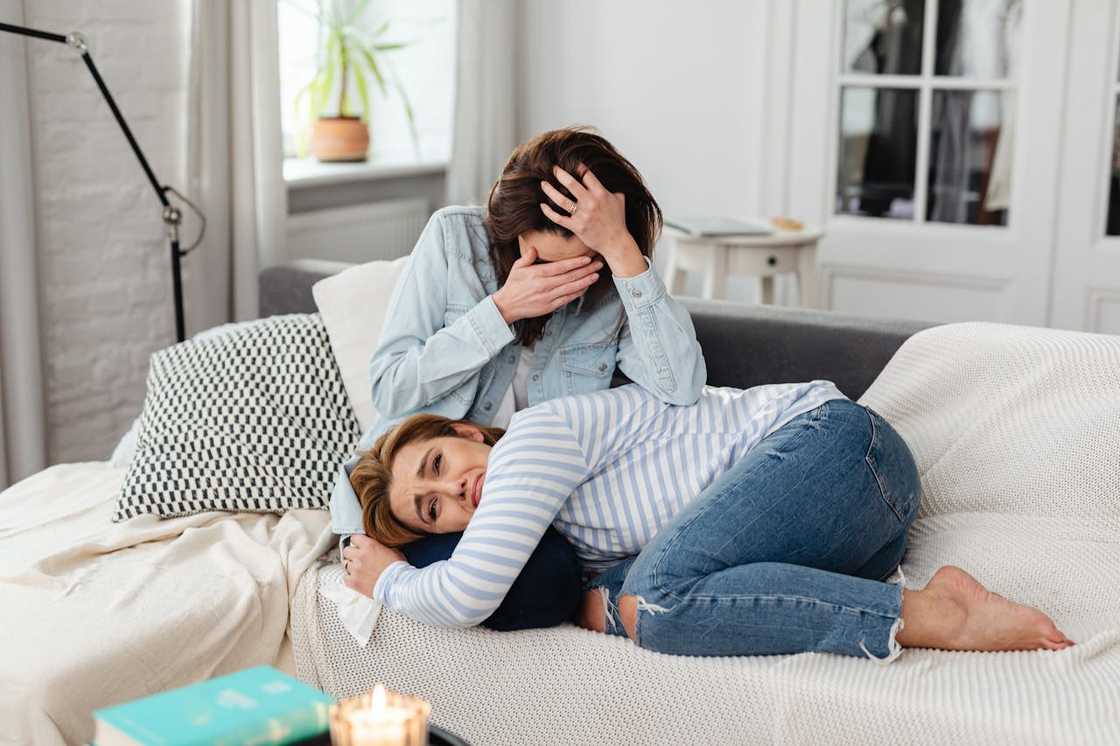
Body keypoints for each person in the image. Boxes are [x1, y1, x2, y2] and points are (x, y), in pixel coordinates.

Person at [341, 381, 1076, 662]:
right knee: (638, 602)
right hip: (855, 536)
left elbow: (467, 594)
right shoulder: (553, 531)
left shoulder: (530, 442)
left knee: (654, 598)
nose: (455, 492)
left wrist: (391, 581)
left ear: (467, 434)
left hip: (839, 448)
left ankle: (931, 613)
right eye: (430, 510)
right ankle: (921, 595)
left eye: (437, 463)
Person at [330, 127, 707, 558]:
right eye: (542, 261)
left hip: (528, 501)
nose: (557, 281)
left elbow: (683, 387)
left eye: (580, 266)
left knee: (547, 574)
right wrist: (501, 311)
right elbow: (391, 387)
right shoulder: (456, 239)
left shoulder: (617, 284)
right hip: (429, 503)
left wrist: (623, 252)